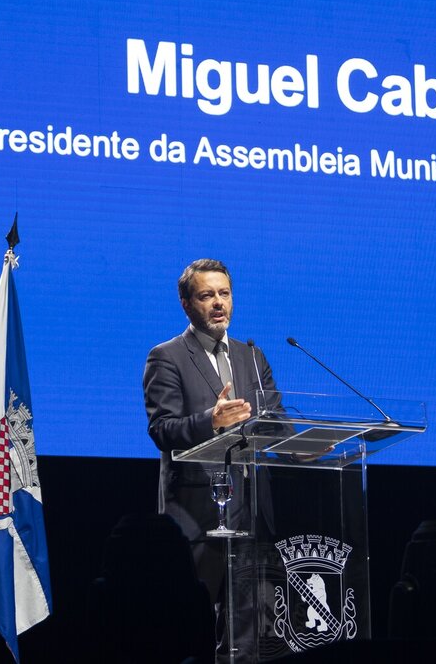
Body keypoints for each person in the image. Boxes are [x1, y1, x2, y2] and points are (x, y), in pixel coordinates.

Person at [143, 259, 280, 661]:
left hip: (252, 513)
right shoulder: (166, 357)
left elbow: (275, 422)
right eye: (206, 295)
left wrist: (310, 448)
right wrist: (211, 421)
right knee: (193, 634)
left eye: (224, 294)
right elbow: (162, 430)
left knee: (250, 633)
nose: (218, 303)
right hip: (197, 516)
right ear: (187, 304)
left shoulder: (252, 356)